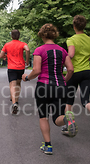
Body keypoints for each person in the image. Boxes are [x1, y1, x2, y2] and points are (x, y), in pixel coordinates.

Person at [22, 24, 75, 155]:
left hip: (43, 87)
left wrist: (27, 78)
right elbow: (71, 69)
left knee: (43, 117)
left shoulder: (39, 50)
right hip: (60, 87)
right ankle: (67, 119)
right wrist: (64, 81)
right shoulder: (63, 51)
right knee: (58, 117)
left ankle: (48, 146)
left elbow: (36, 70)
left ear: (43, 35)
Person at [65, 15, 90, 139]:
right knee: (85, 101)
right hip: (86, 73)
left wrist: (65, 59)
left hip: (74, 72)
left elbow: (71, 54)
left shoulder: (71, 39)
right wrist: (85, 56)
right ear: (84, 26)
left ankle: (69, 125)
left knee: (69, 101)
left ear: (74, 26)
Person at [0, 29, 30, 114]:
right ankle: (16, 100)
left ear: (11, 36)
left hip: (11, 67)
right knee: (18, 83)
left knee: (12, 84)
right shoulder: (23, 44)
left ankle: (14, 103)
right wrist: (27, 61)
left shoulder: (7, 45)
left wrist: (7, 55)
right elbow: (27, 50)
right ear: (19, 36)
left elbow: (1, 55)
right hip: (21, 67)